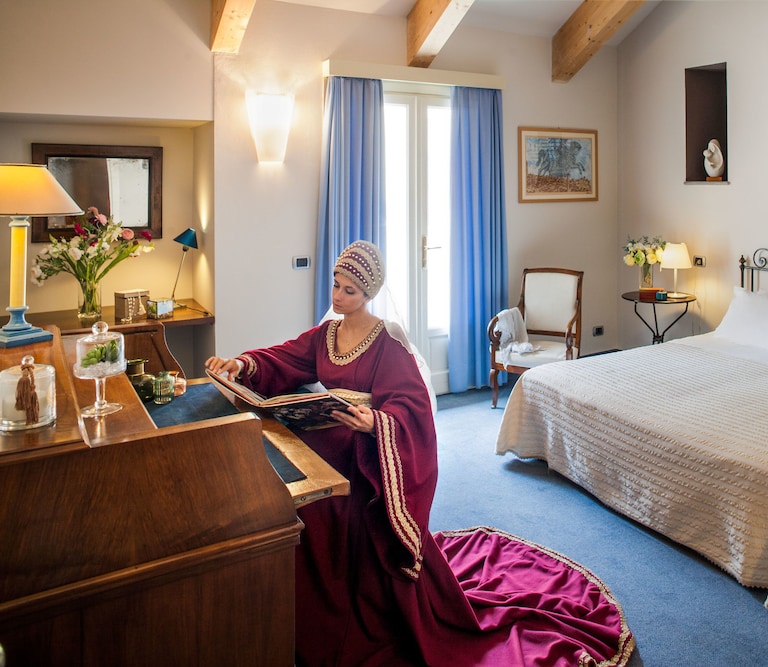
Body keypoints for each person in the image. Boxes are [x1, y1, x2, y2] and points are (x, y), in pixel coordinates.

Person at [206, 241, 633, 666]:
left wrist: (376, 423)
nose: (338, 296)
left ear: (368, 293)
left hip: (364, 454)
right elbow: (285, 357)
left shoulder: (387, 341)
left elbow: (412, 409)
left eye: (349, 290)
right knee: (287, 487)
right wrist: (242, 364)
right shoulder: (327, 334)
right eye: (335, 285)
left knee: (321, 507)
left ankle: (342, 608)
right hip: (326, 439)